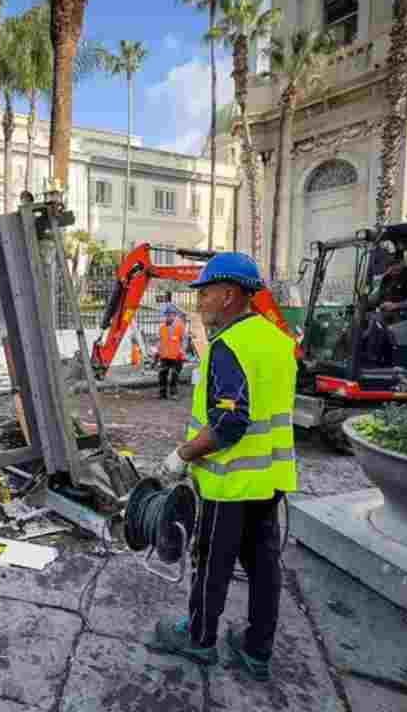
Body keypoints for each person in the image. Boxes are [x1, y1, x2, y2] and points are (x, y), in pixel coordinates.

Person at [154, 252, 297, 681]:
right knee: (264, 566)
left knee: (211, 564)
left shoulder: (227, 346)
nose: (200, 302)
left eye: (207, 292)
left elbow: (230, 423)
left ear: (230, 295)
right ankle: (258, 650)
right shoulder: (277, 340)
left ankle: (199, 640)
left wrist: (182, 455)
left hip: (230, 484)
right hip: (270, 479)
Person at [157, 304, 187, 400]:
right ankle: (162, 393)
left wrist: (182, 351)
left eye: (171, 314)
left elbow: (184, 340)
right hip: (165, 356)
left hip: (176, 356)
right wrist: (157, 352)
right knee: (162, 374)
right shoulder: (162, 327)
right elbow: (161, 341)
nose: (169, 316)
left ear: (175, 315)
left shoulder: (180, 326)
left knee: (174, 375)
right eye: (167, 315)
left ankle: (174, 394)